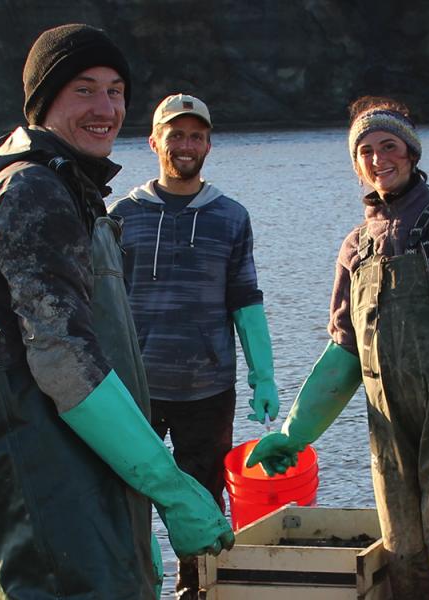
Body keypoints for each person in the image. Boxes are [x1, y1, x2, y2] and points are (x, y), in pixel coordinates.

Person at [0, 23, 233, 599]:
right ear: (43, 102)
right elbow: (62, 359)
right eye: (83, 89)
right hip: (48, 486)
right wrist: (170, 488)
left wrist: (134, 495)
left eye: (116, 90)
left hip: (92, 472)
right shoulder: (31, 191)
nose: (106, 108)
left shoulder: (72, 188)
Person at [247, 96, 429, 599]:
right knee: (402, 559)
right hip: (389, 436)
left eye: (388, 146)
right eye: (364, 151)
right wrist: (294, 432)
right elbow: (344, 353)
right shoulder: (354, 247)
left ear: (411, 154)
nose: (377, 158)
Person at [108, 93, 278, 599]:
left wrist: (262, 375)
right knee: (126, 495)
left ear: (208, 143)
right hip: (135, 388)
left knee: (204, 501)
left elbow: (246, 298)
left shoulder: (231, 216)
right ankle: (134, 586)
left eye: (195, 136)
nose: (186, 145)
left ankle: (199, 590)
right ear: (154, 141)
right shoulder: (122, 214)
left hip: (207, 386)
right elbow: (103, 302)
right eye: (175, 134)